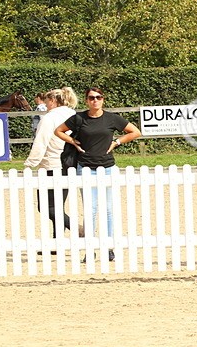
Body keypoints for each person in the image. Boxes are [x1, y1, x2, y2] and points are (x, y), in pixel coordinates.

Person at [54, 87, 140, 262]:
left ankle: (108, 248)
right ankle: (90, 249)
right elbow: (58, 131)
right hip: (85, 167)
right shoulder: (79, 118)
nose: (95, 100)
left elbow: (135, 132)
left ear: (103, 99)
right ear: (86, 100)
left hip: (108, 167)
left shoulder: (112, 118)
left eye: (98, 97)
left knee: (109, 210)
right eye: (91, 98)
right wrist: (73, 141)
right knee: (90, 210)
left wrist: (117, 142)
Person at [24, 88, 78, 246]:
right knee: (57, 207)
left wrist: (30, 163)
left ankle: (78, 230)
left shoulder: (49, 118)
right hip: (70, 164)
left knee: (47, 208)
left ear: (53, 101)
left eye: (47, 102)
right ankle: (57, 244)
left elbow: (40, 142)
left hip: (51, 165)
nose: (46, 105)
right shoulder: (73, 115)